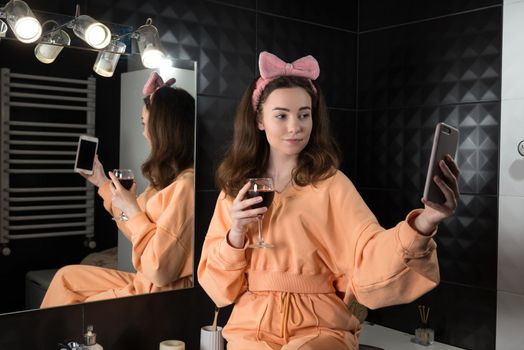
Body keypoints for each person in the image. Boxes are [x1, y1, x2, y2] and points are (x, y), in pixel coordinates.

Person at [197, 51, 460, 349]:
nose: (295, 126)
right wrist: (235, 234)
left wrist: (424, 223)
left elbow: (369, 254)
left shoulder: (333, 184)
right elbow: (217, 288)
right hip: (251, 326)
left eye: (304, 114)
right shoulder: (237, 189)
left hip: (320, 328)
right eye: (281, 115)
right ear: (259, 120)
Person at [41, 72, 195, 307]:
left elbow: (160, 270)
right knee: (66, 278)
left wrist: (133, 209)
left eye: (145, 124)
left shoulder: (186, 187)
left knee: (78, 309)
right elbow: (135, 231)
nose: (144, 133)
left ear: (163, 129)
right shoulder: (167, 183)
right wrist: (102, 183)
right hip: (144, 283)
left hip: (159, 294)